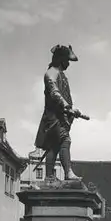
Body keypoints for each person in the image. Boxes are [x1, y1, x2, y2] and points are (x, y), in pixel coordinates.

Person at [35, 44, 82, 181]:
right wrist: (67, 106)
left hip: (60, 116)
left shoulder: (61, 75)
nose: (68, 63)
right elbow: (55, 93)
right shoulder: (51, 73)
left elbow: (65, 95)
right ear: (61, 59)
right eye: (67, 60)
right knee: (64, 140)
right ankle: (68, 173)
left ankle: (49, 176)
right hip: (53, 116)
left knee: (54, 146)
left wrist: (72, 111)